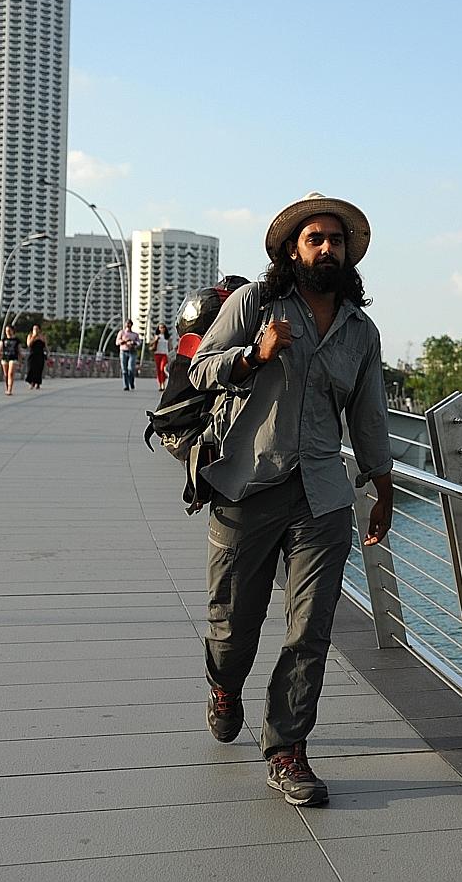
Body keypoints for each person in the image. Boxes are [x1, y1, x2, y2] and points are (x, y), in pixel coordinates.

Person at [188, 191, 392, 808]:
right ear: (292, 249)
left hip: (323, 496)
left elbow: (369, 415)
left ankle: (287, 750)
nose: (327, 247)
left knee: (311, 631)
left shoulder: (361, 331)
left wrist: (383, 488)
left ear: (350, 253)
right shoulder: (256, 303)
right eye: (315, 239)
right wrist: (255, 355)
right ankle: (225, 684)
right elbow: (199, 369)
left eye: (336, 240)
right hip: (246, 483)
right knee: (234, 627)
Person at [0, 325, 21, 396]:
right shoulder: (3, 340)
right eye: (6, 331)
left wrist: (20, 358)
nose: (8, 332)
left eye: (9, 330)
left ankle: (10, 389)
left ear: (13, 331)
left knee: (11, 373)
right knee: (6, 374)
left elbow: (19, 350)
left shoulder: (16, 340)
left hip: (13, 357)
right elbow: (0, 348)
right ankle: (7, 387)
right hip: (5, 357)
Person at [116, 320, 141, 390]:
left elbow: (139, 342)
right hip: (123, 351)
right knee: (124, 369)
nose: (128, 325)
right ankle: (126, 385)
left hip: (132, 352)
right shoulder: (121, 332)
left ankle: (131, 382)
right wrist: (124, 341)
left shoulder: (135, 334)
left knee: (131, 368)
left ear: (131, 325)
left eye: (129, 324)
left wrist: (133, 343)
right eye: (127, 324)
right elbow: (117, 342)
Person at [25, 324, 48, 390]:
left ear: (39, 330)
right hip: (32, 354)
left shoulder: (43, 336)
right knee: (31, 368)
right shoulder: (30, 336)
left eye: (37, 329)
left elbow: (45, 346)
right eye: (34, 329)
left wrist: (48, 352)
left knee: (39, 369)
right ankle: (32, 382)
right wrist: (34, 337)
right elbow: (28, 344)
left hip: (40, 355)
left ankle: (37, 383)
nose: (36, 330)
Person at [152, 323, 171, 389]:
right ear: (158, 329)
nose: (162, 329)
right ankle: (160, 384)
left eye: (163, 327)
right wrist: (155, 339)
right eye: (160, 327)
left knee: (162, 369)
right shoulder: (157, 336)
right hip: (157, 354)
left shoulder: (167, 337)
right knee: (158, 370)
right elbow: (151, 344)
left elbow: (170, 347)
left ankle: (163, 384)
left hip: (164, 354)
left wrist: (170, 355)